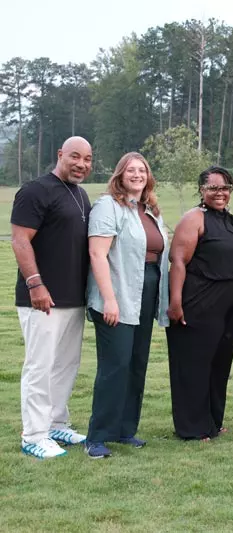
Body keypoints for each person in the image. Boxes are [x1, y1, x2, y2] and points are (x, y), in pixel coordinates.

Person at [11, 137, 93, 459]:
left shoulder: (80, 194)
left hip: (73, 298)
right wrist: (36, 285)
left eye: (87, 159)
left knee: (65, 365)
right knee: (40, 366)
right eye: (75, 157)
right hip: (42, 299)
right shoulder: (35, 190)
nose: (81, 164)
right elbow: (20, 240)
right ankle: (33, 434)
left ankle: (56, 422)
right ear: (60, 155)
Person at [84, 152, 170, 459]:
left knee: (136, 364)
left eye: (142, 170)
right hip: (117, 293)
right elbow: (97, 255)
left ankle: (124, 430)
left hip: (146, 292)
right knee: (115, 365)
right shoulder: (109, 206)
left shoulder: (150, 211)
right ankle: (97, 437)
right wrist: (109, 299)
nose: (137, 175)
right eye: (131, 170)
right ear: (120, 175)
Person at [166, 166, 233, 441]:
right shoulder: (194, 218)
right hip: (200, 300)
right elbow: (178, 260)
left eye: (225, 187)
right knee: (195, 363)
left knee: (219, 363)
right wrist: (175, 302)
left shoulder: (232, 220)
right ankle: (192, 427)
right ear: (201, 191)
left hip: (230, 305)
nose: (220, 193)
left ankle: (213, 420)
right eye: (213, 188)